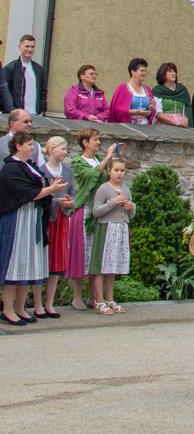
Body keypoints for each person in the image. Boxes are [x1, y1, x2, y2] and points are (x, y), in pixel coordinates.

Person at [1, 131, 65, 324]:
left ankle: (20, 307)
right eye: (29, 144)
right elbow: (26, 193)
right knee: (15, 263)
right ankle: (8, 309)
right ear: (18, 146)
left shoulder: (28, 166)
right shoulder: (11, 168)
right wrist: (50, 190)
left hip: (32, 218)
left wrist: (50, 189)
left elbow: (38, 188)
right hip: (17, 219)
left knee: (26, 262)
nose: (33, 147)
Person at [68, 127, 114, 309]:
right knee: (81, 253)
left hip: (98, 211)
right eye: (96, 139)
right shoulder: (78, 161)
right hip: (84, 209)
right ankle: (76, 296)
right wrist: (107, 158)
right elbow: (91, 176)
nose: (99, 143)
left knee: (94, 254)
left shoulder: (96, 160)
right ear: (85, 142)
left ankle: (94, 295)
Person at [89, 156, 137, 313]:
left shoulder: (126, 189)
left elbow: (130, 215)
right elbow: (96, 211)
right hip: (106, 229)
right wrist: (113, 202)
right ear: (109, 171)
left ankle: (110, 298)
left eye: (122, 170)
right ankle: (99, 300)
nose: (119, 173)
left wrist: (131, 207)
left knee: (112, 266)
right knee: (101, 265)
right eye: (116, 170)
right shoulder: (104, 189)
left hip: (120, 229)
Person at [39, 135, 76, 318]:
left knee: (56, 263)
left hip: (62, 220)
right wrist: (56, 201)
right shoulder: (41, 171)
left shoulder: (67, 171)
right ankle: (38, 304)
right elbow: (38, 197)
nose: (65, 152)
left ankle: (49, 303)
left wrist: (70, 201)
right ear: (52, 148)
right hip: (46, 220)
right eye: (62, 148)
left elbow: (73, 193)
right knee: (42, 261)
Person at [1, 34, 47, 117]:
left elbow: (43, 92)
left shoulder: (39, 70)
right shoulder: (10, 68)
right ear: (20, 47)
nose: (30, 49)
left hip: (35, 115)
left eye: (32, 47)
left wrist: (42, 110)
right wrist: (11, 111)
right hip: (16, 115)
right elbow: (4, 92)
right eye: (27, 46)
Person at [107, 59, 158, 125]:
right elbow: (116, 110)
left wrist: (150, 108)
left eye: (145, 71)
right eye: (142, 71)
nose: (144, 73)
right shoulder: (122, 88)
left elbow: (152, 111)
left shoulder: (147, 89)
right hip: (127, 126)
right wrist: (134, 112)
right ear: (133, 72)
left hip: (145, 127)